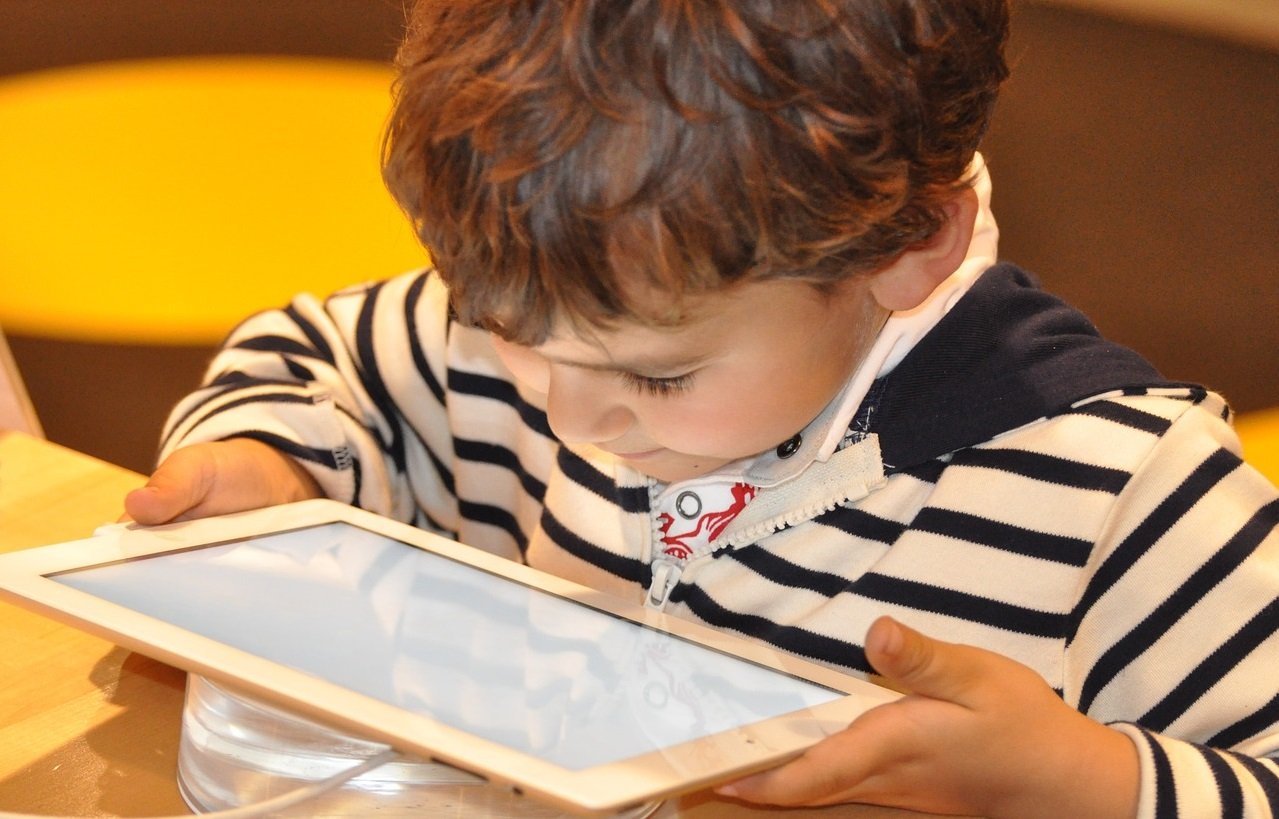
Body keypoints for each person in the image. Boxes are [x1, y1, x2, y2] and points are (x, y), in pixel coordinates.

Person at [125, 1, 1279, 816]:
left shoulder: (1121, 488)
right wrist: (266, 461)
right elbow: (325, 363)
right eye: (511, 337)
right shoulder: (578, 313)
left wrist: (1081, 784)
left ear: (908, 248)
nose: (571, 416)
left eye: (659, 379)